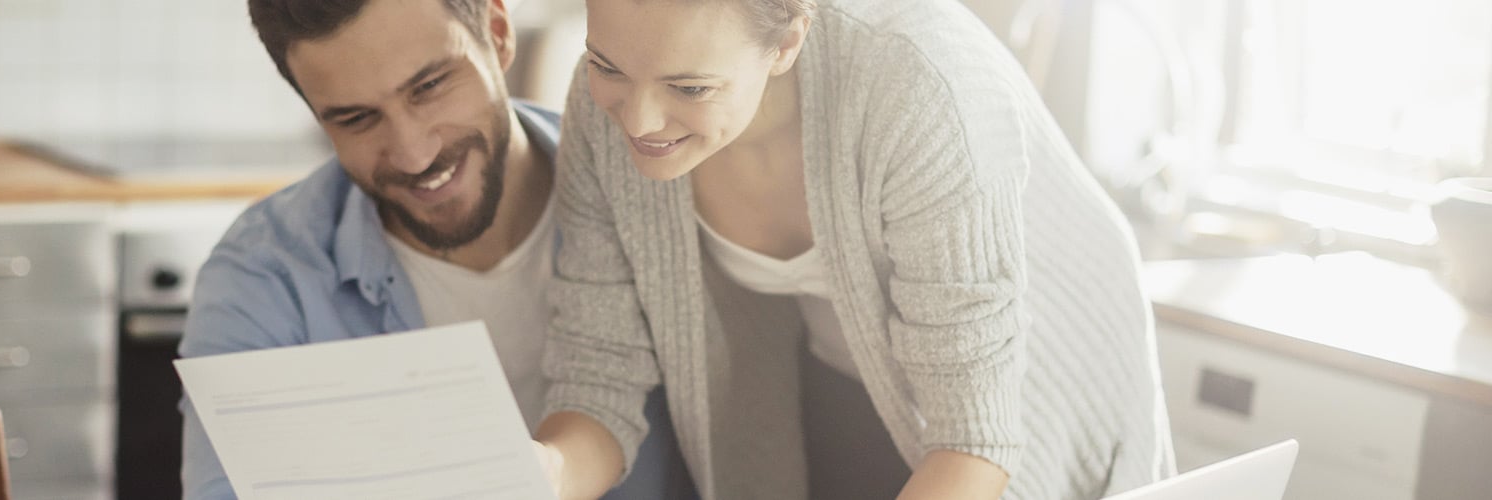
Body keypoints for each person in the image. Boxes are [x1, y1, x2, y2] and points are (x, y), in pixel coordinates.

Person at [529, 0, 1175, 499]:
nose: (637, 121)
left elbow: (974, 439)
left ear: (786, 41)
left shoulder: (916, 84)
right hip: (840, 351)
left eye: (690, 88)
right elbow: (599, 376)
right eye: (606, 65)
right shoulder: (602, 121)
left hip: (1042, 342)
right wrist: (538, 474)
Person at [177, 0, 692, 498]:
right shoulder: (264, 277)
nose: (413, 153)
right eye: (356, 119)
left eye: (429, 86)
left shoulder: (652, 192)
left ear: (496, 31)